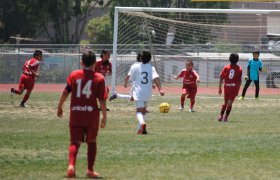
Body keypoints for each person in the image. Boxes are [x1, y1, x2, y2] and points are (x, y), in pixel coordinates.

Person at [57, 51, 107, 178]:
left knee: (75, 142)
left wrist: (60, 106)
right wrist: (104, 117)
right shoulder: (99, 78)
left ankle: (71, 166)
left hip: (76, 114)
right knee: (92, 141)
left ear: (81, 62)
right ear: (95, 63)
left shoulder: (74, 75)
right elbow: (101, 99)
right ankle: (90, 170)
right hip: (91, 115)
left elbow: (65, 91)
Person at [127, 51, 164, 134]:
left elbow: (131, 78)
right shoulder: (151, 67)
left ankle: (142, 124)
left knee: (139, 111)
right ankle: (141, 129)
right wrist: (160, 89)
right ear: (150, 59)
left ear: (140, 58)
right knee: (143, 111)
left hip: (139, 92)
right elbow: (156, 79)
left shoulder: (135, 67)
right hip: (148, 92)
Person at [218, 53, 242, 122]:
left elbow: (221, 77)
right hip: (234, 89)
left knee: (225, 103)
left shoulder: (226, 67)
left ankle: (221, 116)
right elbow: (239, 81)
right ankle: (225, 117)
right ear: (237, 60)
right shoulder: (239, 68)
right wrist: (238, 90)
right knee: (229, 103)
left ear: (229, 59)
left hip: (226, 88)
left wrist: (219, 88)